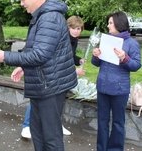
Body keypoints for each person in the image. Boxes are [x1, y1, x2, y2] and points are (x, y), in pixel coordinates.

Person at [0, 0, 77, 151]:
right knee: (38, 133)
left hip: (50, 85)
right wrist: (22, 65)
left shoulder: (49, 17)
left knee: (50, 137)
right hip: (43, 84)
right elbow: (37, 49)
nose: (22, 4)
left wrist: (5, 56)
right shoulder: (42, 16)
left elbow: (41, 54)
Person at [21, 15, 85, 139]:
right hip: (48, 74)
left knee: (58, 102)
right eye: (74, 28)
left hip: (60, 76)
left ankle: (56, 125)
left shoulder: (73, 40)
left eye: (79, 28)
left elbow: (69, 56)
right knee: (38, 99)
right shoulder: (62, 38)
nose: (77, 31)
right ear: (68, 27)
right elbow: (56, 58)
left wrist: (78, 60)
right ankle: (27, 126)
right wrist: (74, 70)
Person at [91, 11, 141, 151]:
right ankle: (102, 148)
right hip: (103, 87)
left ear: (119, 24)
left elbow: (136, 65)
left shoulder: (131, 44)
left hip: (120, 90)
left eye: (110, 23)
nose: (108, 25)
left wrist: (125, 58)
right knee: (102, 121)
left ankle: (115, 149)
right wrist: (96, 56)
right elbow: (96, 63)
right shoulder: (106, 40)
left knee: (118, 123)